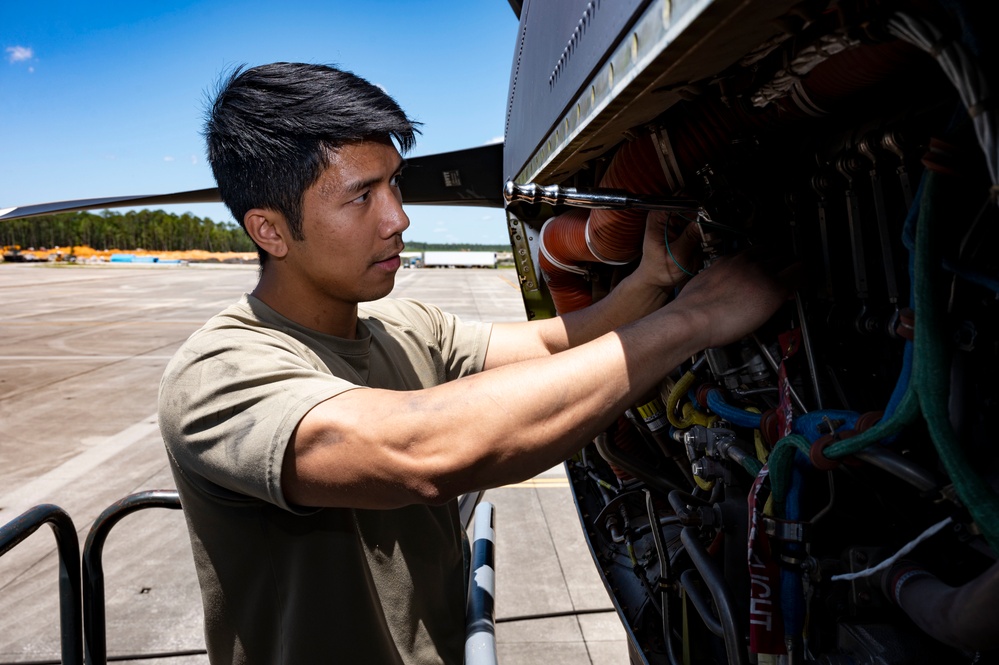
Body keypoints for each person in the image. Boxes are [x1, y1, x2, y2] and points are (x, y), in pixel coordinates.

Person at [158, 62, 792, 664]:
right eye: (361, 197)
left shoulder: (406, 327)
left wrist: (656, 282)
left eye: (395, 183)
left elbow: (552, 344)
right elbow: (418, 450)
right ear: (270, 230)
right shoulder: (220, 372)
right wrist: (695, 320)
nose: (399, 218)